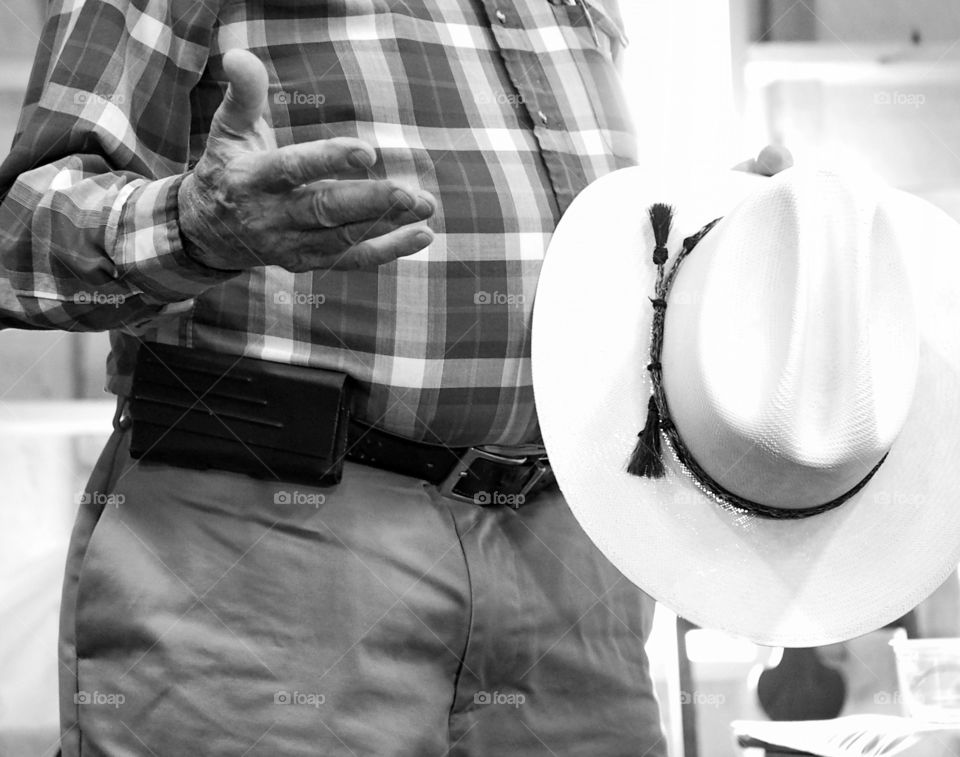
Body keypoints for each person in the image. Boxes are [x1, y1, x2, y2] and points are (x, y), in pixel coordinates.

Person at [0, 1, 785, 754]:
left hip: (576, 557)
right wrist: (194, 226)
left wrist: (703, 249)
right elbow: (19, 239)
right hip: (273, 547)